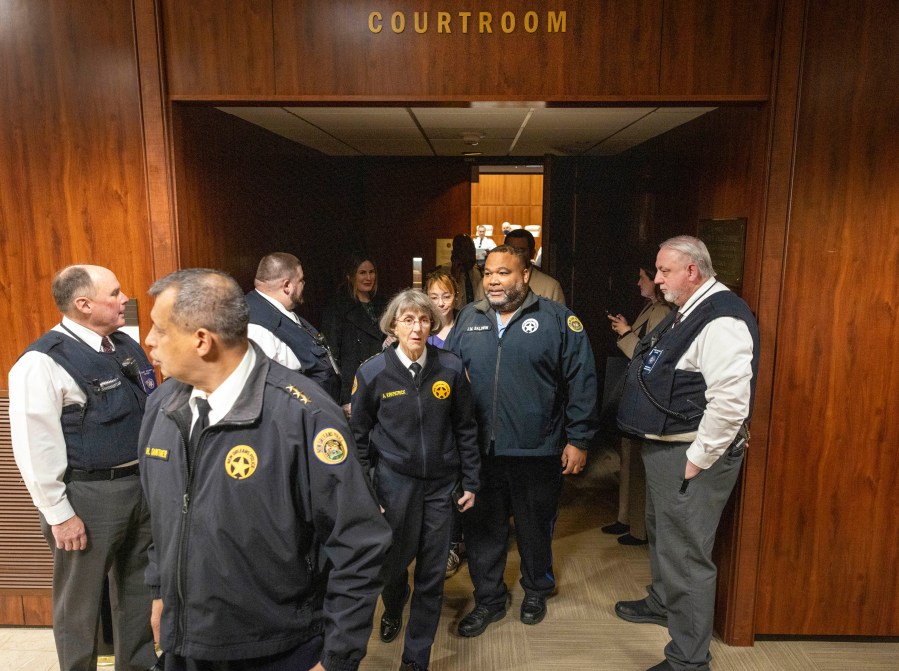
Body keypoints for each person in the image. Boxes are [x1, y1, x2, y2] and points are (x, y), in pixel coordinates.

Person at [139, 268, 392, 671]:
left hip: (277, 647)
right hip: (185, 641)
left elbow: (359, 542)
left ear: (202, 340)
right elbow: (162, 516)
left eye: (159, 330)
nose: (148, 341)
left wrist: (338, 657)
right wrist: (159, 593)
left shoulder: (303, 414)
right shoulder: (163, 406)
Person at [614, 236, 760, 671]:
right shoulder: (690, 308)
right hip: (668, 451)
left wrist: (696, 460)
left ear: (692, 271)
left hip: (689, 457)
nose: (657, 280)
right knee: (665, 540)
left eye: (664, 271)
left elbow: (732, 401)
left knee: (686, 557)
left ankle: (688, 660)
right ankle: (662, 603)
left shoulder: (722, 318)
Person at [8, 264, 158, 671]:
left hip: (140, 487)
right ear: (84, 304)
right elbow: (33, 445)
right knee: (80, 606)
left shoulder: (126, 345)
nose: (124, 298)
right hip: (88, 497)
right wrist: (59, 514)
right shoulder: (42, 362)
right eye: (115, 293)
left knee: (139, 594)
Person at [446, 245, 598, 635]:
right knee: (482, 531)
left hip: (537, 448)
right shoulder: (468, 318)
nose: (494, 280)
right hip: (479, 452)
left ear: (526, 275)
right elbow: (445, 379)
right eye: (489, 273)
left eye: (504, 273)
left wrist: (578, 438)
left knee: (534, 527)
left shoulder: (557, 320)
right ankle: (490, 600)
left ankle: (536, 589)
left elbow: (582, 381)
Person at [351, 289, 480, 671]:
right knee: (393, 566)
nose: (417, 327)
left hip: (441, 486)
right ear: (393, 325)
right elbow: (356, 437)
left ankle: (415, 659)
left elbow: (466, 428)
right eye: (407, 320)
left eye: (423, 319)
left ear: (432, 324)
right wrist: (366, 491)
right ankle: (393, 606)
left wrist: (471, 479)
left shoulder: (452, 367)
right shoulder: (372, 371)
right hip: (394, 485)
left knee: (431, 573)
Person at [603, 262, 673, 545]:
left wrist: (625, 333)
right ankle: (626, 518)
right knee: (629, 457)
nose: (641, 282)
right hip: (637, 396)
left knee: (639, 461)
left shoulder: (665, 311)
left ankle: (638, 528)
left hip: (647, 397)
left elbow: (647, 358)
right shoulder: (651, 307)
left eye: (643, 277)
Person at [246, 252, 340, 401]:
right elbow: (265, 393)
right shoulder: (256, 327)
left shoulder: (280, 310)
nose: (304, 284)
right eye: (301, 280)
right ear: (287, 286)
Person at [423, 268, 466, 578]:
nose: (440, 303)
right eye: (434, 297)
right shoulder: (420, 329)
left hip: (460, 414)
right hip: (428, 418)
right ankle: (433, 543)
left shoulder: (468, 327)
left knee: (458, 484)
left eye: (446, 296)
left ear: (456, 296)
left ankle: (453, 543)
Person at [321, 253, 389, 415]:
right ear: (350, 276)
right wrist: (343, 396)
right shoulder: (337, 307)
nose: (368, 277)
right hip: (354, 381)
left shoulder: (384, 304)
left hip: (383, 378)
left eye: (371, 272)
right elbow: (332, 354)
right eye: (362, 272)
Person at [504, 229, 566, 305]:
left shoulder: (551, 287)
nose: (516, 255)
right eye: (511, 250)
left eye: (521, 250)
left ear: (532, 253)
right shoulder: (491, 283)